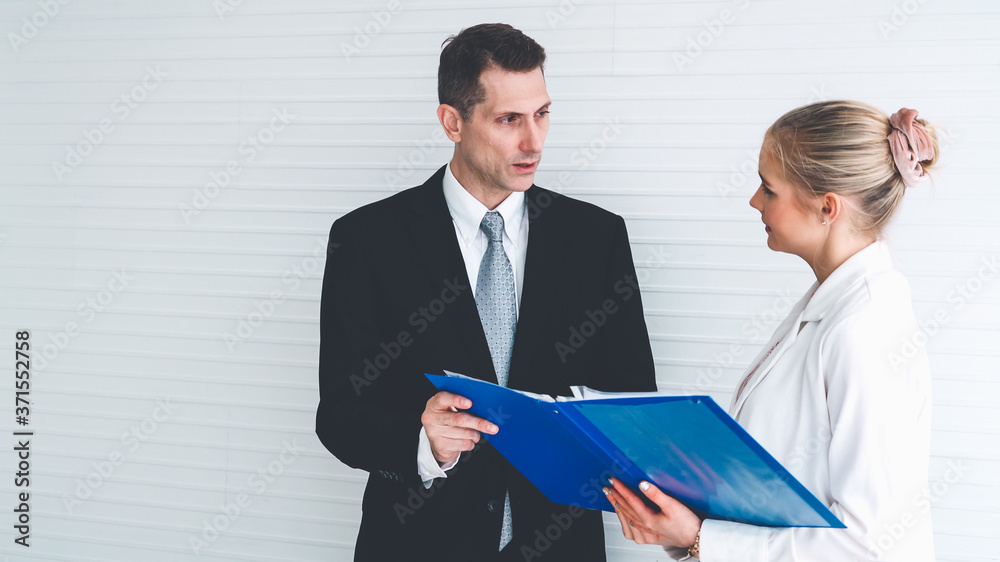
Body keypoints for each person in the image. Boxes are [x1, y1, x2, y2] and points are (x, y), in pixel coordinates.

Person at [316, 23, 656, 561]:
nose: (534, 141)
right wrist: (421, 443)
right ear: (453, 121)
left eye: (542, 114)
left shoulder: (597, 237)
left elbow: (632, 404)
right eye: (509, 120)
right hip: (415, 544)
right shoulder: (366, 240)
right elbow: (337, 413)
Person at [604, 100, 938, 561]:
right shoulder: (830, 304)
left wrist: (701, 538)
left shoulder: (864, 327)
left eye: (768, 189)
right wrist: (686, 524)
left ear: (826, 207)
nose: (753, 201)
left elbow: (870, 544)